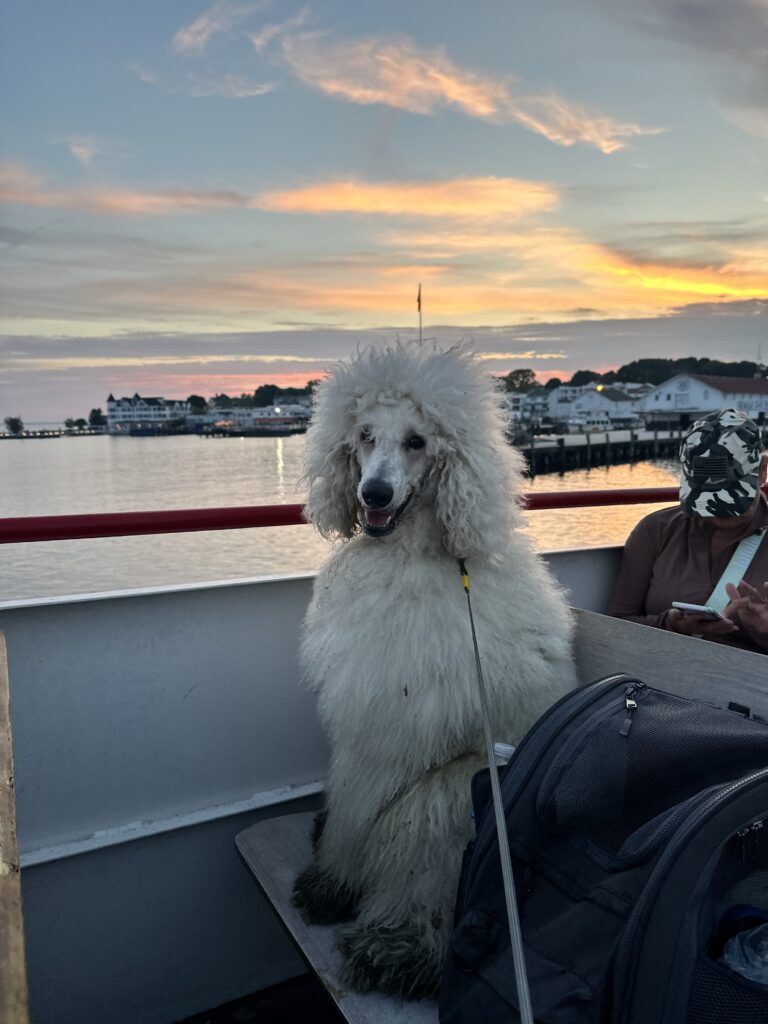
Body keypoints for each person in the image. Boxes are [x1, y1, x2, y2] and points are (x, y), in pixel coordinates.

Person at [609, 408, 768, 654]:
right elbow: (616, 624)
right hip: (658, 670)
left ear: (763, 471)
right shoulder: (656, 530)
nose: (716, 511)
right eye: (705, 499)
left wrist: (764, 634)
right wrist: (671, 624)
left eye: (729, 496)